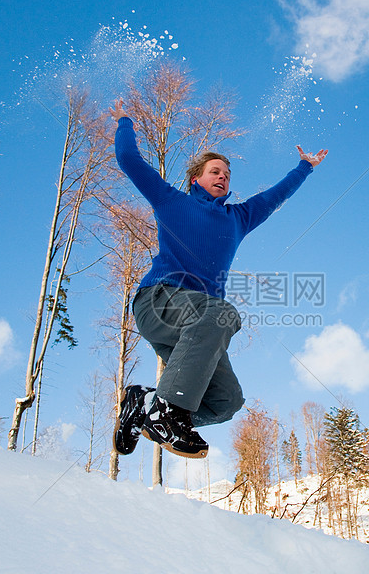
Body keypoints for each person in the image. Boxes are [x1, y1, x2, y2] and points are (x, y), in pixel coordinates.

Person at [110, 99, 327, 459]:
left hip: (195, 326)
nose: (222, 176)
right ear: (196, 178)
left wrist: (304, 167)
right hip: (159, 301)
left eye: (226, 174)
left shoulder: (237, 218)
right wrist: (124, 121)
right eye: (215, 171)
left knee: (226, 401)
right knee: (221, 312)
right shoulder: (170, 200)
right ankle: (167, 412)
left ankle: (145, 403)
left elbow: (276, 196)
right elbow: (130, 161)